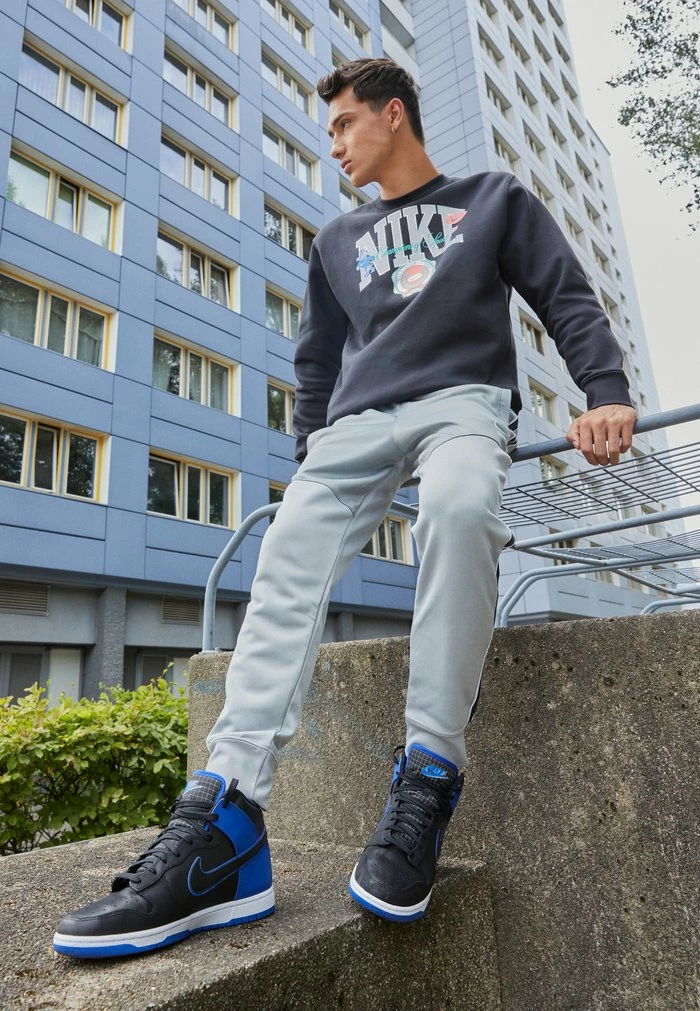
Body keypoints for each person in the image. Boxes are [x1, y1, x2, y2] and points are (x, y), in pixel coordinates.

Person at [53, 57, 637, 958]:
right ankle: (226, 819)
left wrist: (605, 391)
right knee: (289, 543)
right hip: (355, 423)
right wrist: (310, 456)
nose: (333, 145)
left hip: (463, 399)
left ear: (393, 115)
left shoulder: (492, 200)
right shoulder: (334, 241)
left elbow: (565, 295)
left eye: (343, 125)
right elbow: (316, 361)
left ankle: (428, 776)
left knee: (460, 507)